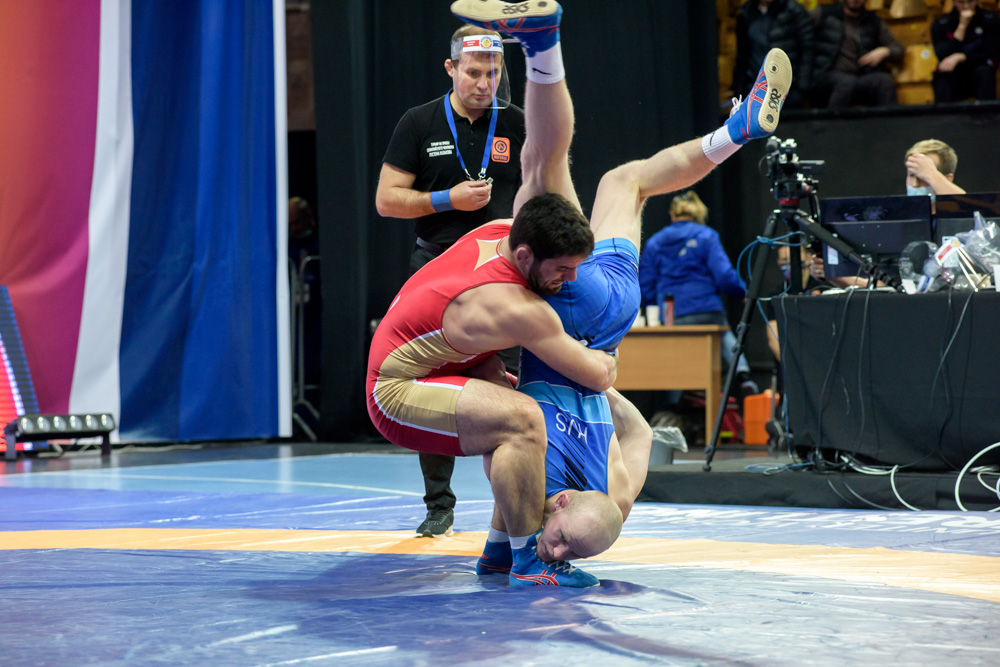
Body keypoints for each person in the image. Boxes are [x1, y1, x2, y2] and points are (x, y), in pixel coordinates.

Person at [448, 0, 792, 574]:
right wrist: (590, 374)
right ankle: (542, 45)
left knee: (627, 182)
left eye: (559, 547)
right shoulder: (541, 486)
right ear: (562, 505)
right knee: (542, 164)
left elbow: (641, 435)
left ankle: (735, 131)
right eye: (565, 542)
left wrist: (603, 387)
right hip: (575, 316)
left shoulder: (616, 498)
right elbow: (505, 463)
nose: (557, 550)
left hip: (615, 313)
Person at [374, 25, 527, 539]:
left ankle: (514, 509)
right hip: (436, 273)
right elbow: (387, 200)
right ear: (451, 68)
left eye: (493, 73)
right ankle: (438, 504)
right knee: (429, 381)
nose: (484, 84)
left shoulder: (517, 123)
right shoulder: (419, 122)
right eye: (474, 73)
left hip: (501, 276)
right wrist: (446, 199)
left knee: (511, 386)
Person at [637, 190, 758, 405]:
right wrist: (741, 292)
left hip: (674, 313)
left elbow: (645, 284)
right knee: (723, 334)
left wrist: (654, 310)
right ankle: (742, 373)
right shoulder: (706, 235)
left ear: (672, 214)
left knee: (676, 361)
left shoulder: (656, 242)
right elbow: (723, 274)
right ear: (698, 213)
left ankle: (675, 404)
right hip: (707, 308)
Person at [809, 0, 904, 109]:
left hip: (860, 76)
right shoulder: (824, 13)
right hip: (826, 75)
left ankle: (889, 120)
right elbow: (801, 30)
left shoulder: (873, 21)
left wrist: (885, 51)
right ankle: (832, 120)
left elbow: (898, 50)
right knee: (846, 82)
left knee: (884, 81)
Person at [732, 0, 814, 109]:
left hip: (788, 91)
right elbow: (742, 56)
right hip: (754, 90)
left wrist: (801, 88)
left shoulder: (793, 10)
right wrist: (738, 90)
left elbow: (808, 49)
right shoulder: (746, 13)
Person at [931, 0, 1000, 104]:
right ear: (954, 2)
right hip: (955, 74)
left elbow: (993, 51)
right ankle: (943, 113)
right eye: (961, 2)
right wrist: (962, 26)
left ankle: (986, 113)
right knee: (942, 74)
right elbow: (942, 54)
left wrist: (962, 57)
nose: (966, 6)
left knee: (984, 71)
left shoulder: (990, 19)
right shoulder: (941, 23)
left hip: (980, 69)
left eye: (970, 1)